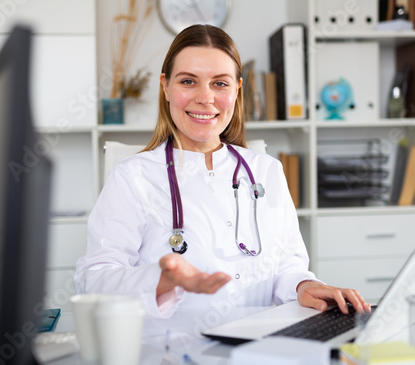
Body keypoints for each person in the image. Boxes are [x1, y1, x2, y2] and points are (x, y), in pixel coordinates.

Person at [74, 24, 371, 319]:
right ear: (165, 87)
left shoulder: (267, 171)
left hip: (255, 344)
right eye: (188, 81)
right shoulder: (133, 177)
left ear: (237, 89)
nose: (206, 98)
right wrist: (161, 280)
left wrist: (304, 285)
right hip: (170, 350)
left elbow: (287, 268)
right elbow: (94, 280)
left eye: (220, 83)